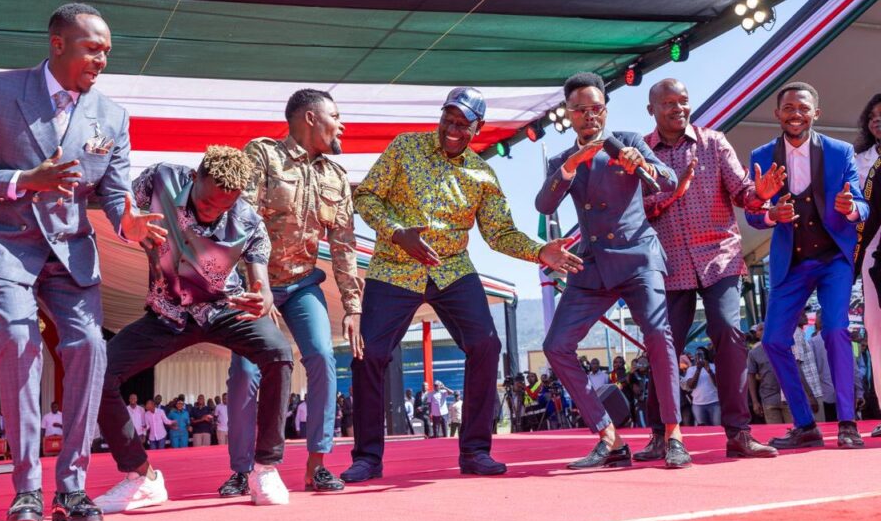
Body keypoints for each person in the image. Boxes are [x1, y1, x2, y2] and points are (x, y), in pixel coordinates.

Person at [0, 3, 166, 521]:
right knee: (19, 341)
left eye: (107, 51)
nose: (102, 59)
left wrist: (129, 222)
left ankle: (72, 489)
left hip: (70, 250)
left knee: (89, 347)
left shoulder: (112, 115)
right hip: (1, 242)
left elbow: (114, 193)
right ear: (58, 44)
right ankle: (27, 491)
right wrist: (24, 180)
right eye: (93, 48)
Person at [341, 87, 578, 483]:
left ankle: (475, 450)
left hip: (451, 269)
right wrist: (397, 232)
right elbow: (366, 197)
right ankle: (367, 457)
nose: (452, 129)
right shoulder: (405, 148)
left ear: (477, 128)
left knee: (486, 344)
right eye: (447, 119)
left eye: (462, 124)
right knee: (370, 354)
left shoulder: (482, 175)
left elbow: (500, 234)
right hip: (394, 265)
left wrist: (540, 251)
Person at [93, 146, 294, 513]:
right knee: (97, 374)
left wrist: (263, 298)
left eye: (223, 207)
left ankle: (265, 469)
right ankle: (142, 478)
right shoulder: (161, 178)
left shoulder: (248, 220)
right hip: (167, 314)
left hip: (224, 310)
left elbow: (261, 283)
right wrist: (128, 226)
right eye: (206, 203)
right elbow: (123, 211)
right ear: (195, 176)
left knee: (279, 353)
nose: (212, 212)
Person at [537, 72, 690, 470]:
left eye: (596, 108)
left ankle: (673, 435)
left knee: (658, 334)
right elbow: (544, 205)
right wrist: (570, 166)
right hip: (591, 266)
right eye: (580, 110)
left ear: (605, 110)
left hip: (638, 257)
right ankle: (610, 438)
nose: (589, 116)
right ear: (568, 114)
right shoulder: (560, 160)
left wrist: (645, 165)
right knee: (556, 346)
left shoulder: (629, 141)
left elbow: (668, 180)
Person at [225, 89, 362, 496]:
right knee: (246, 372)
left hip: (302, 285)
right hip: (255, 284)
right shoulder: (263, 154)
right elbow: (241, 224)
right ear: (310, 118)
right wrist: (257, 286)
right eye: (335, 116)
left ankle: (317, 466)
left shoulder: (336, 176)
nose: (342, 125)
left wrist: (353, 307)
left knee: (321, 356)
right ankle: (242, 470)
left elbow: (344, 246)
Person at [638, 77, 780, 460]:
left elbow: (742, 192)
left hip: (720, 257)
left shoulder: (714, 143)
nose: (678, 108)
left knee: (729, 332)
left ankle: (739, 433)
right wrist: (672, 194)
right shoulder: (641, 153)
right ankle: (659, 435)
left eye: (683, 100)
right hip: (668, 265)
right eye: (668, 103)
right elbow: (637, 210)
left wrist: (760, 194)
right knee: (663, 346)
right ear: (651, 110)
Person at [746, 82, 867, 450]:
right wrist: (771, 215)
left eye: (803, 108)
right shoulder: (761, 155)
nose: (795, 114)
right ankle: (805, 424)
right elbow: (752, 213)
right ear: (777, 114)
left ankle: (847, 422)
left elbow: (862, 204)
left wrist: (851, 209)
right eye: (788, 108)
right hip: (792, 262)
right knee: (773, 340)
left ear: (817, 112)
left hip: (833, 259)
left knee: (835, 330)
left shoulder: (840, 151)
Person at [852, 93, 881, 438]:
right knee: (876, 331)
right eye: (872, 116)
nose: (878, 120)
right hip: (873, 251)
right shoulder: (859, 161)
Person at [747, 323, 792, 424]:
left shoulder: (783, 348)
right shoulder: (753, 353)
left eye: (766, 328)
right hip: (768, 399)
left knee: (794, 429)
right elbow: (751, 376)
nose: (764, 331)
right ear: (757, 334)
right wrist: (755, 402)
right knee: (775, 431)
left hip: (788, 397)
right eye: (760, 329)